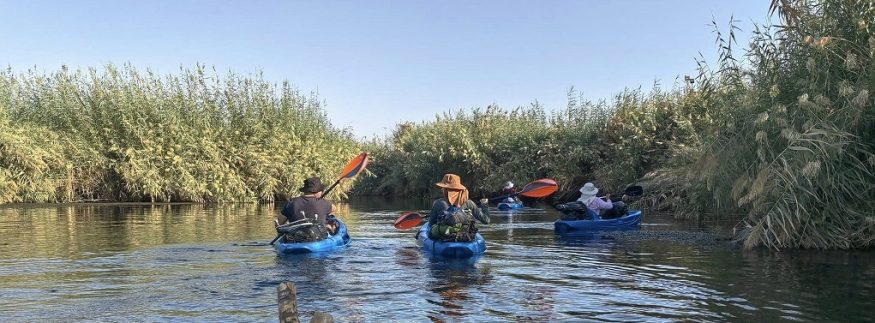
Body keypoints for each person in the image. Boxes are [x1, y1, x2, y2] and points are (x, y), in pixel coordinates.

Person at [427, 174, 490, 242]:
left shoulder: (439, 203)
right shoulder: (469, 203)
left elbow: (431, 224)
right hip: (465, 237)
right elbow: (486, 220)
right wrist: (484, 205)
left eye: (443, 188)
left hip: (445, 237)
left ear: (446, 190)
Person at [276, 177, 338, 242]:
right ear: (317, 191)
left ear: (305, 191)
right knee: (331, 222)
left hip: (295, 239)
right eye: (321, 191)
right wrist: (321, 201)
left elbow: (279, 222)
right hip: (318, 238)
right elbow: (334, 208)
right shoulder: (325, 203)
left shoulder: (291, 203)